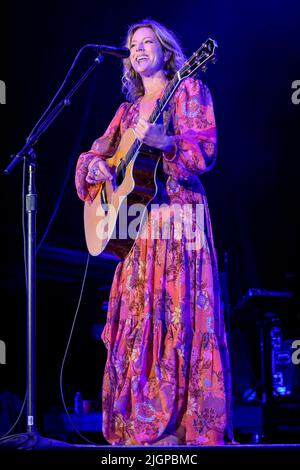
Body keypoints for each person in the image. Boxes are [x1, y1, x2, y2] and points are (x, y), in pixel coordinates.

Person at [75, 19, 233, 446]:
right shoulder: (126, 112)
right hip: (137, 228)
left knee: (180, 315)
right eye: (133, 45)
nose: (139, 49)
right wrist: (95, 165)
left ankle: (182, 426)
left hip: (178, 219)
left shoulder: (188, 90)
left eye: (148, 42)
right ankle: (142, 423)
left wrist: (168, 143)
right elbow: (100, 150)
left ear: (166, 52)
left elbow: (205, 151)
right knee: (139, 317)